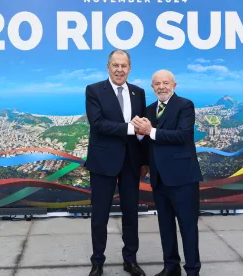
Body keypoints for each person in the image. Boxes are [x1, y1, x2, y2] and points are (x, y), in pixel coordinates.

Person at [131, 69, 202, 276]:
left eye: (165, 83)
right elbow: (146, 144)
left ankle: (192, 271)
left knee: (188, 227)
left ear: (174, 85)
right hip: (159, 178)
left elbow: (182, 135)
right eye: (157, 84)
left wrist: (149, 131)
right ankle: (171, 267)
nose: (161, 87)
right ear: (152, 87)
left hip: (183, 178)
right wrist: (140, 135)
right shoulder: (149, 109)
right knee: (166, 226)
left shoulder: (185, 105)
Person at [84, 49, 147, 276]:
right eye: (115, 65)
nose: (120, 69)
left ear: (130, 68)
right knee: (99, 215)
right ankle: (97, 262)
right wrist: (131, 128)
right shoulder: (93, 90)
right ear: (108, 67)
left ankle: (130, 259)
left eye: (124, 66)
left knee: (131, 213)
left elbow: (143, 127)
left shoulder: (138, 93)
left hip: (131, 162)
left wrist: (145, 160)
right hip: (103, 162)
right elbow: (97, 123)